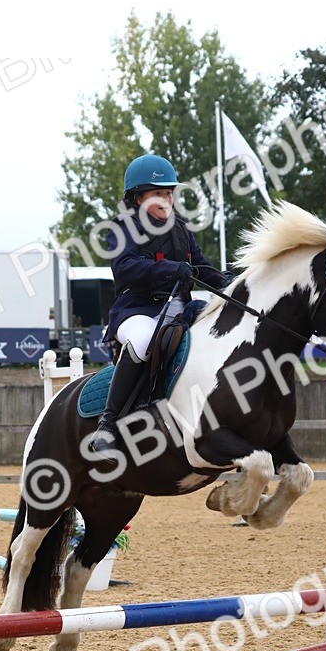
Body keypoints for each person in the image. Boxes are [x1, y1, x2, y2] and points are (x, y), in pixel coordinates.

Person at [89, 154, 231, 454]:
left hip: (180, 308)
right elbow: (125, 268)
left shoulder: (180, 227)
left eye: (169, 193)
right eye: (158, 193)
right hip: (136, 310)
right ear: (137, 197)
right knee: (142, 342)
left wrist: (224, 281)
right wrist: (168, 269)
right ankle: (109, 422)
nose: (166, 199)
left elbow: (200, 266)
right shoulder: (123, 228)